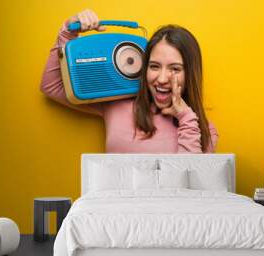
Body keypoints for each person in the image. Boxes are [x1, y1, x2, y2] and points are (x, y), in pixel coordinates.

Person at [40, 9, 218, 153]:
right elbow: (51, 86)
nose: (162, 79)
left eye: (175, 69)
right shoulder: (117, 103)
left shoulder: (203, 130)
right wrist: (67, 32)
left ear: (190, 74)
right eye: (154, 66)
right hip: (115, 198)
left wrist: (185, 117)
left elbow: (188, 186)